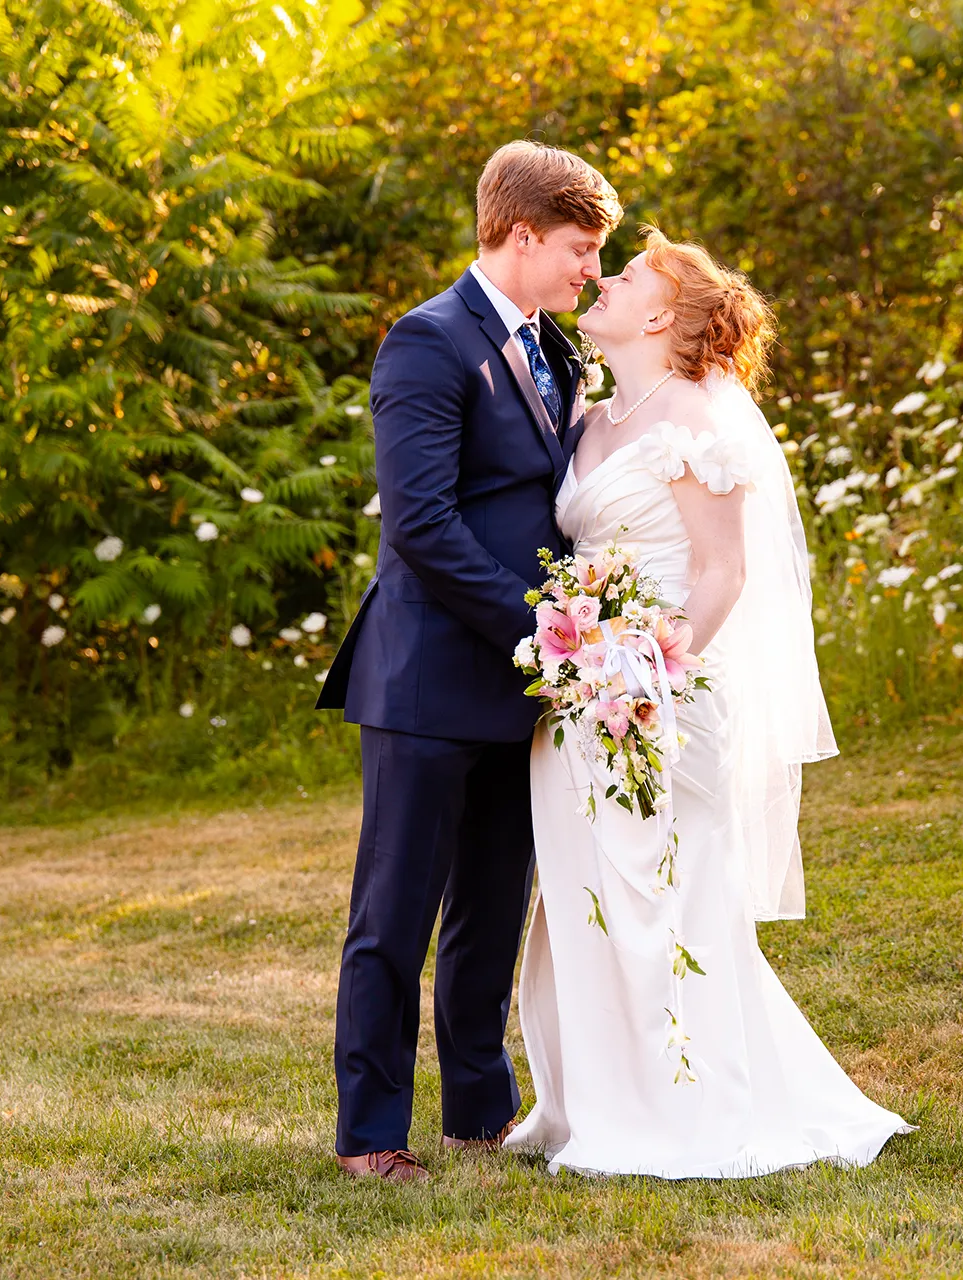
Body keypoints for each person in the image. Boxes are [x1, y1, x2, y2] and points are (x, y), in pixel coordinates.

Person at [500, 229, 913, 1177]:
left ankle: (685, 1104)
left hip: (659, 695)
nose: (604, 279)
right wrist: (586, 659)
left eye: (630, 274)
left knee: (666, 891)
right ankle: (582, 1103)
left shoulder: (694, 420)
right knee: (579, 895)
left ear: (662, 316)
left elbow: (723, 573)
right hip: (581, 690)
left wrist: (648, 672)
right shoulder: (594, 415)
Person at [314, 141, 621, 1182]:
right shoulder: (426, 342)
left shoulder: (556, 350)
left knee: (494, 907)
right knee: (396, 913)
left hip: (521, 680)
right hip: (427, 680)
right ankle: (370, 1134)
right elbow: (423, 526)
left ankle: (478, 1115)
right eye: (580, 250)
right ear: (521, 234)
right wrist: (541, 627)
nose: (591, 272)